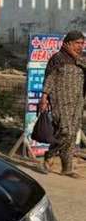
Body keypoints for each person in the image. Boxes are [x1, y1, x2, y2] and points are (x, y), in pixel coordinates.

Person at [38, 30, 85, 178]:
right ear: (67, 43)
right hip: (60, 100)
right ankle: (49, 155)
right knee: (65, 131)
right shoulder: (57, 58)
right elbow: (49, 79)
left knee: (72, 134)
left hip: (78, 101)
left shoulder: (82, 59)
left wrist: (77, 57)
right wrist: (44, 98)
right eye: (77, 43)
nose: (81, 46)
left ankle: (67, 168)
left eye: (82, 43)